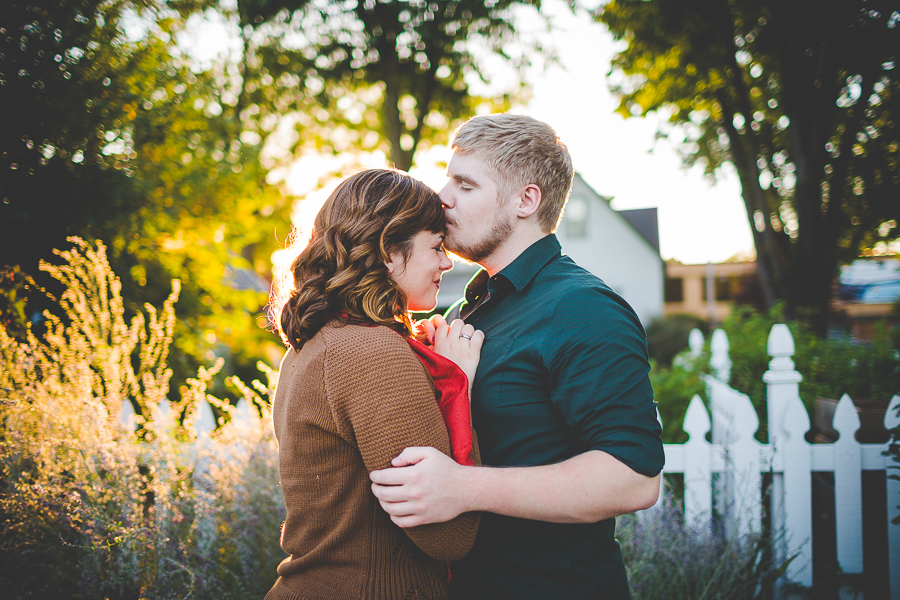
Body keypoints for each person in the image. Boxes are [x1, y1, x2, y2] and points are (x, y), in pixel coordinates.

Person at [369, 114, 665, 600]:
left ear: (526, 200)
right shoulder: (468, 309)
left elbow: (633, 478)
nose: (443, 196)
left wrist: (462, 488)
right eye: (448, 179)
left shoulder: (582, 307)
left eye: (465, 185)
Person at [265, 168, 484, 600]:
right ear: (388, 252)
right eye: (436, 247)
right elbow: (450, 537)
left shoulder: (313, 344)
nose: (447, 263)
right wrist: (459, 384)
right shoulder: (372, 353)